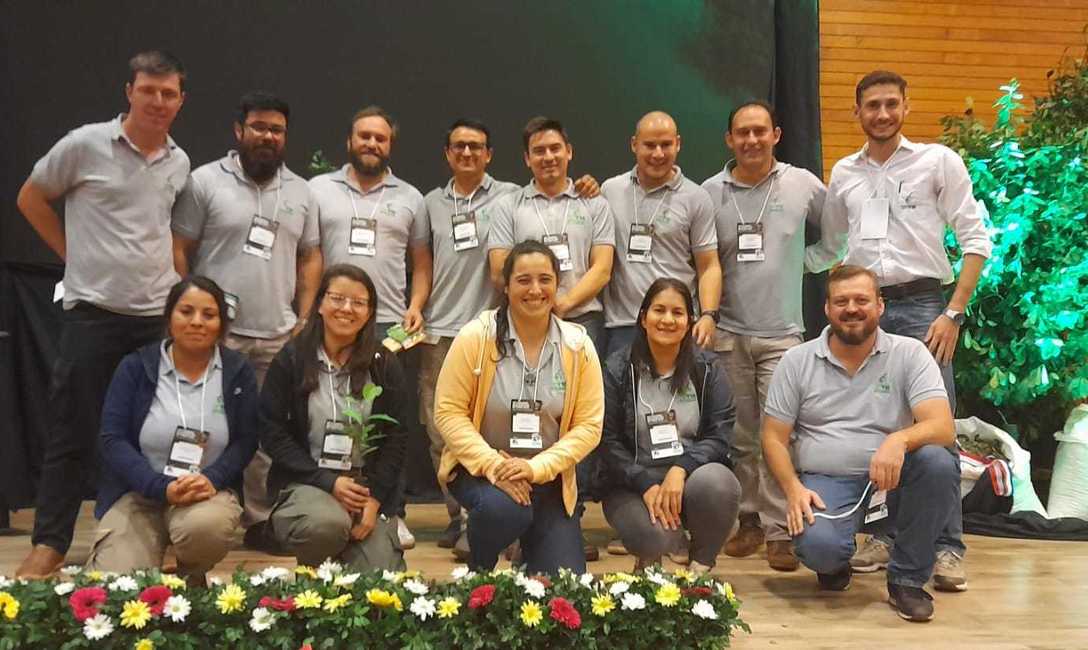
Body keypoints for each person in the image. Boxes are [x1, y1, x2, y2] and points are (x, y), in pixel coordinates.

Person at [808, 70, 993, 591]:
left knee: (936, 426)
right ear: (858, 112)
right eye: (872, 105)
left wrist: (952, 313)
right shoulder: (844, 172)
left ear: (906, 107)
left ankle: (947, 547)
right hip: (864, 309)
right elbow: (830, 249)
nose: (882, 114)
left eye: (891, 104)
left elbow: (975, 240)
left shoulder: (937, 162)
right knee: (878, 422)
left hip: (923, 306)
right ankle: (887, 535)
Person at [15, 50, 191, 578]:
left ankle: (139, 542)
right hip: (92, 313)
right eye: (148, 90)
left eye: (168, 93)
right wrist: (73, 256)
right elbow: (30, 198)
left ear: (181, 100)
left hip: (154, 319)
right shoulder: (84, 144)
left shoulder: (179, 162)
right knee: (73, 431)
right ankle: (49, 543)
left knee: (150, 436)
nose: (158, 101)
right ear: (129, 91)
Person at [419, 118, 600, 552]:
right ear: (446, 153)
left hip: (547, 323)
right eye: (458, 146)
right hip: (455, 326)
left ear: (490, 155)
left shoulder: (510, 194)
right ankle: (466, 521)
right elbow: (430, 261)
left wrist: (560, 306)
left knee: (560, 418)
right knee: (441, 424)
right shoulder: (432, 203)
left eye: (476, 146)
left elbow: (589, 428)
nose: (467, 154)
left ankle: (556, 517)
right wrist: (494, 467)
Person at [762, 265, 959, 622]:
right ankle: (833, 562)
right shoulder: (797, 360)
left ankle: (907, 581)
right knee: (819, 548)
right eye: (841, 301)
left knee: (938, 462)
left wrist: (898, 439)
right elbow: (773, 437)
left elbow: (943, 427)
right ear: (826, 309)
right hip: (827, 482)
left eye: (861, 300)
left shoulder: (910, 353)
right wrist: (792, 489)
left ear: (880, 306)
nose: (851, 308)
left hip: (892, 481)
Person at [171, 91, 322, 533]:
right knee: (200, 425)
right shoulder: (204, 182)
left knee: (267, 434)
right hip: (213, 335)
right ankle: (190, 518)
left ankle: (259, 520)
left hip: (277, 334)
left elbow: (311, 256)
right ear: (239, 131)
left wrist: (305, 315)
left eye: (276, 130)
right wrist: (187, 307)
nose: (267, 136)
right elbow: (179, 245)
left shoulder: (301, 191)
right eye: (258, 127)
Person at [703, 100, 827, 571]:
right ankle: (749, 520)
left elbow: (838, 234)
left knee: (779, 434)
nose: (751, 140)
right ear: (729, 140)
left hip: (782, 337)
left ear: (775, 134)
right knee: (739, 436)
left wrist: (806, 264)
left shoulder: (802, 184)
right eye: (742, 133)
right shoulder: (710, 192)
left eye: (760, 132)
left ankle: (781, 530)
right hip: (728, 332)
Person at [434, 240, 604, 574]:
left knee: (563, 590)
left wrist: (535, 468)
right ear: (506, 286)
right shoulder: (475, 337)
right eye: (524, 280)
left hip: (547, 476)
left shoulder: (578, 345)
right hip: (479, 471)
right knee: (505, 510)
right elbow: (448, 412)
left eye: (545, 279)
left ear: (557, 284)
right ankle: (479, 569)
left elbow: (589, 427)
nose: (535, 290)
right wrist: (495, 466)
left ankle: (528, 556)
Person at [86, 277, 258, 586]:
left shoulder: (238, 371)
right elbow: (112, 439)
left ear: (221, 323)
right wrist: (159, 486)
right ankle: (151, 560)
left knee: (206, 529)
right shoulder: (135, 367)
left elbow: (246, 441)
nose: (197, 322)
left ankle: (191, 574)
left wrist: (212, 479)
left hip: (206, 493)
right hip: (138, 493)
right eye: (186, 311)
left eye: (209, 314)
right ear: (169, 317)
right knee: (118, 588)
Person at [309, 105, 429, 548]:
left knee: (388, 424)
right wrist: (310, 310)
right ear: (350, 140)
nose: (371, 144)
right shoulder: (319, 190)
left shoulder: (410, 197)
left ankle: (392, 510)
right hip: (332, 320)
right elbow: (311, 255)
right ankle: (325, 500)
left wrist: (416, 305)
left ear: (390, 145)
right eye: (364, 136)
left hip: (388, 329)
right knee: (330, 415)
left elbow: (421, 262)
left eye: (380, 138)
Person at [258, 264, 408, 571]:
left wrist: (375, 500)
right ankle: (311, 582)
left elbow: (397, 438)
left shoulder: (383, 364)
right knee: (326, 525)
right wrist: (328, 482)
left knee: (379, 580)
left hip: (365, 488)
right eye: (337, 298)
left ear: (370, 312)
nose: (347, 309)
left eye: (358, 302)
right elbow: (272, 432)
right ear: (320, 304)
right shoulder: (293, 359)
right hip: (308, 481)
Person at [600, 278, 740, 575]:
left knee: (719, 484)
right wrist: (644, 482)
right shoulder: (616, 369)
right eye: (658, 310)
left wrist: (682, 468)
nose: (667, 320)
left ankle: (700, 566)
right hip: (631, 484)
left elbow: (720, 433)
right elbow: (607, 441)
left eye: (677, 313)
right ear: (643, 318)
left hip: (690, 478)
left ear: (689, 322)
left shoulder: (707, 368)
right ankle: (650, 559)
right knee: (656, 538)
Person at [487, 116, 615, 355]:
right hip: (526, 320)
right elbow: (498, 270)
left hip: (584, 319)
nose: (548, 157)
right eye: (538, 151)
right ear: (527, 158)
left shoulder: (594, 204)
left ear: (569, 152)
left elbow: (603, 268)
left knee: (583, 392)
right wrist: (540, 306)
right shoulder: (508, 206)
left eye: (555, 148)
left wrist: (563, 304)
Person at [601, 111, 721, 358]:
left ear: (678, 144)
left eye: (666, 145)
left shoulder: (696, 198)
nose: (658, 153)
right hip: (623, 326)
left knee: (681, 396)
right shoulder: (610, 190)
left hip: (676, 325)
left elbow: (709, 266)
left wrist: (709, 315)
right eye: (649, 145)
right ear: (634, 144)